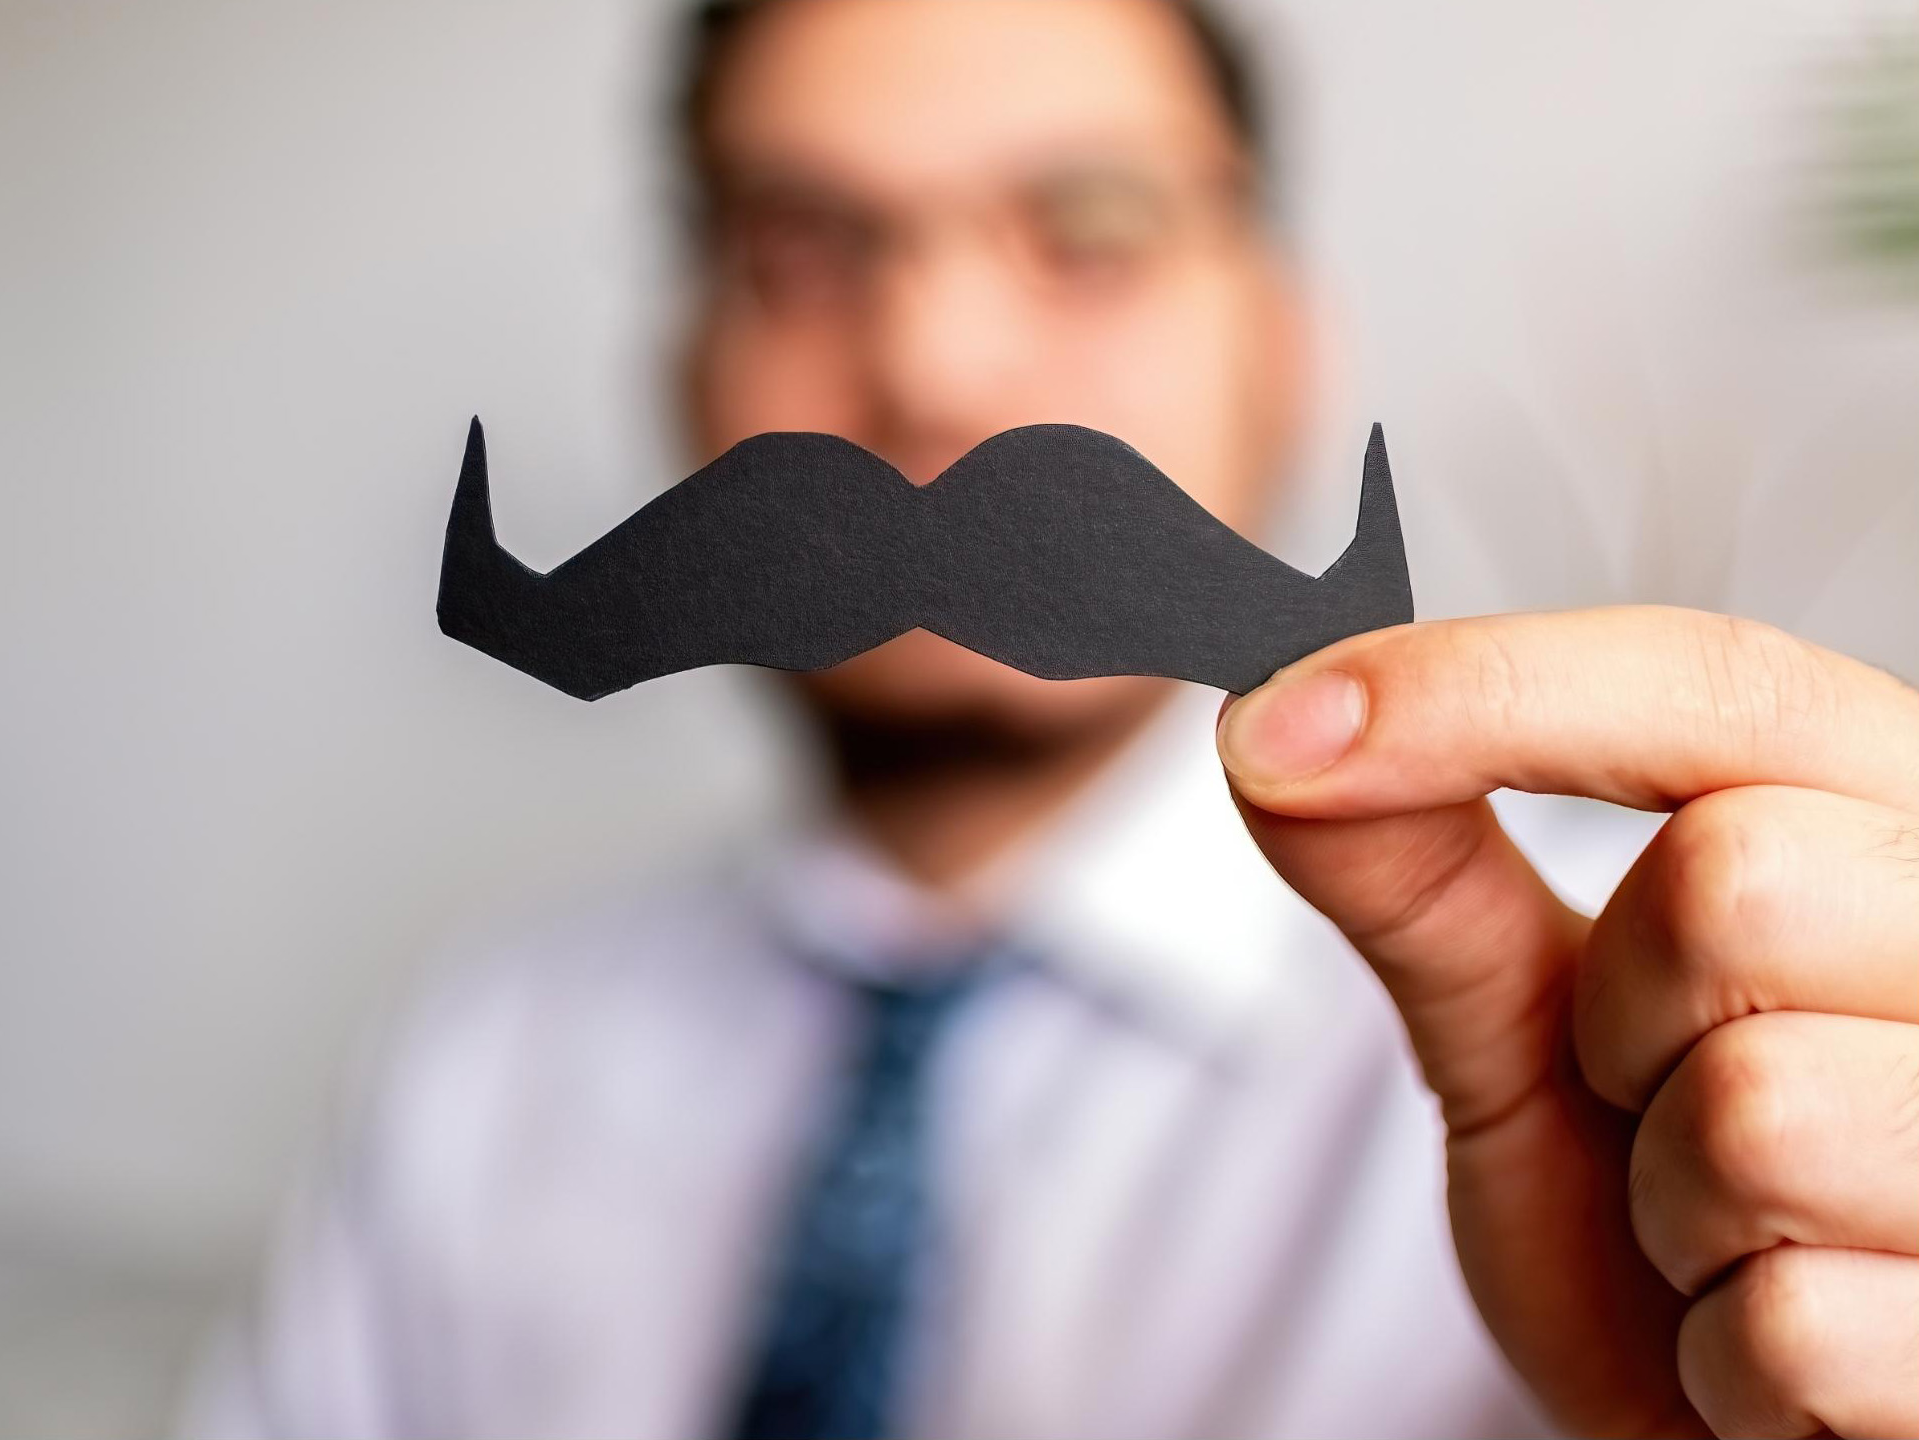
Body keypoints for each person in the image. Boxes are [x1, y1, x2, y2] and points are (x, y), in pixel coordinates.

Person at [189, 2, 1919, 1436]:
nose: (931, 367)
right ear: (680, 362)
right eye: (796, 253)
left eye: (1087, 234)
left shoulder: (1666, 1035)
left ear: (1285, 341)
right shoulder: (477, 1079)